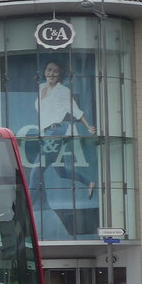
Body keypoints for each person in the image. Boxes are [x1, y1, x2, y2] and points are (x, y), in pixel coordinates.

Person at [31, 60, 97, 200]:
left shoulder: (63, 91)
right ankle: (89, 183)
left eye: (55, 71)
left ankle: (28, 205)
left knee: (36, 171)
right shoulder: (41, 88)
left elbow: (76, 111)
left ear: (59, 75)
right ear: (45, 72)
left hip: (55, 132)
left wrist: (88, 127)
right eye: (49, 70)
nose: (52, 73)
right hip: (45, 134)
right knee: (60, 171)